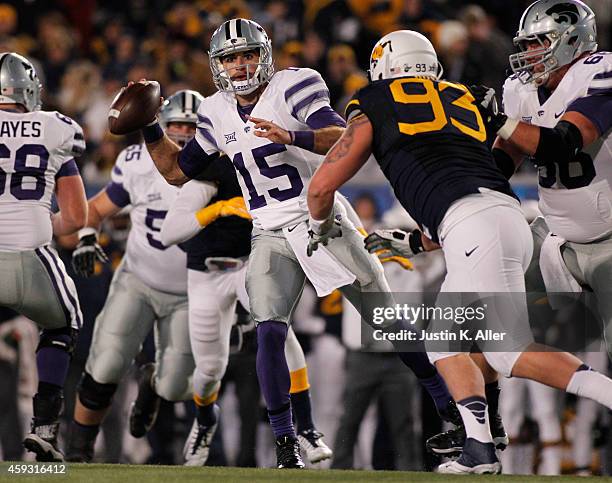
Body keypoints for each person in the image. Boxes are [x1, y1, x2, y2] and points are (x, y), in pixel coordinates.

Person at [132, 18, 455, 468]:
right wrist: (148, 126)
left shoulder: (294, 85)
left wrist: (291, 135)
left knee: (387, 322)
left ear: (263, 55)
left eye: (247, 54)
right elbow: (175, 171)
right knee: (269, 330)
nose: (241, 65)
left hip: (320, 218)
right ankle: (287, 442)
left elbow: (344, 137)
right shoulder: (214, 110)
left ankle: (448, 411)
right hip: (267, 229)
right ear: (217, 64)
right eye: (231, 57)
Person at [306, 29, 612, 474]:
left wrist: (319, 226)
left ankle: (597, 395)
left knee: (505, 350)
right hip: (497, 217)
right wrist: (413, 240)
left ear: (385, 67)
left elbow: (321, 188)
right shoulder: (461, 98)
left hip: (473, 224)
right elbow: (458, 184)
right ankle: (480, 449)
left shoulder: (374, 99)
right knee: (444, 339)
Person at [160, 160, 333, 465]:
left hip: (248, 264)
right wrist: (218, 208)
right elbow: (169, 233)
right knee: (210, 369)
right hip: (207, 273)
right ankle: (204, 420)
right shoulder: (210, 173)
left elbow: (316, 195)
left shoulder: (267, 165)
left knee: (281, 334)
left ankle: (305, 426)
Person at [64, 90, 201, 462]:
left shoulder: (220, 166)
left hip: (191, 290)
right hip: (139, 278)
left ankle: (153, 382)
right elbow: (96, 209)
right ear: (161, 126)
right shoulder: (138, 161)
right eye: (176, 125)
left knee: (176, 386)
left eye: (191, 126)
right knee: (106, 363)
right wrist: (88, 236)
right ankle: (77, 454)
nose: (184, 134)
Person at [0, 52, 87, 461]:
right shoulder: (55, 128)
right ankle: (45, 430)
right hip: (32, 256)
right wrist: (33, 219)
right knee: (64, 323)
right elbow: (76, 218)